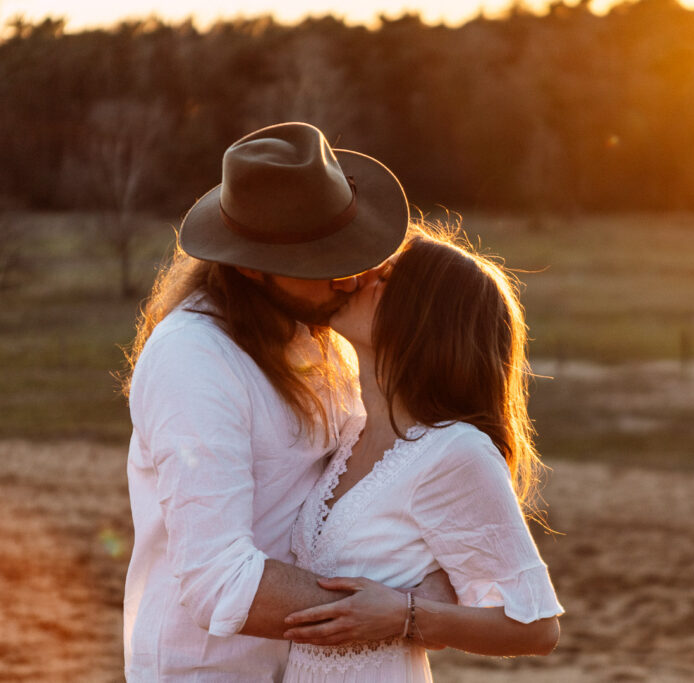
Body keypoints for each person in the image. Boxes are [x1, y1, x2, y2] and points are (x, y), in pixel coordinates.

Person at [121, 122, 452, 681]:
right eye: (321, 262)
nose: (348, 279)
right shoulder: (194, 358)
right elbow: (218, 580)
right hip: (212, 672)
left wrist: (427, 590)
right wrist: (401, 612)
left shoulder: (323, 330)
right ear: (250, 266)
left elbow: (386, 479)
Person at [277, 224, 564, 682]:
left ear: (425, 317)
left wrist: (405, 615)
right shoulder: (347, 430)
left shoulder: (455, 450)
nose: (359, 278)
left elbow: (537, 628)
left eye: (384, 278)